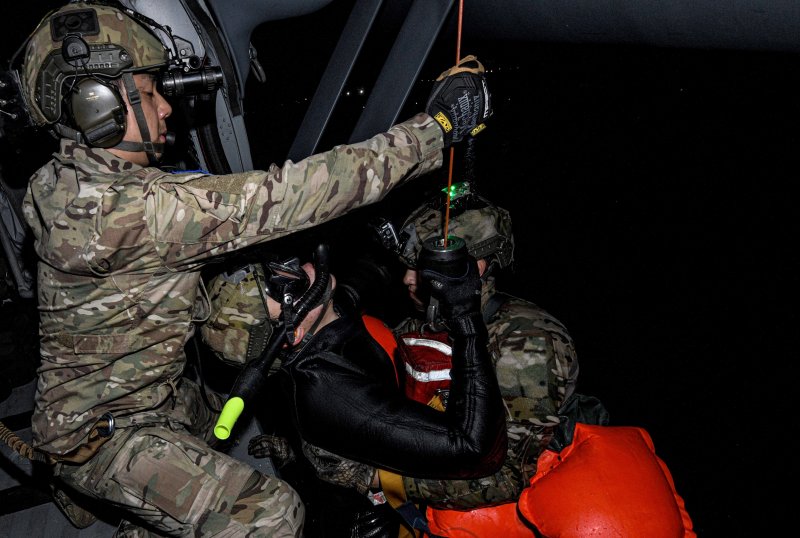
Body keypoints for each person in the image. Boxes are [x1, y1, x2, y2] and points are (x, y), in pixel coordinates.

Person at [16, 1, 491, 535]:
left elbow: (140, 270)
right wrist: (436, 129)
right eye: (149, 94)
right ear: (95, 106)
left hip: (119, 396)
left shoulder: (59, 183)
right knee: (271, 514)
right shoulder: (140, 211)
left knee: (228, 387)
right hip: (105, 435)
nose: (166, 110)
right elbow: (294, 194)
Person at [246, 241, 507, 538]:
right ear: (293, 335)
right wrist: (464, 312)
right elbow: (475, 448)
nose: (294, 269)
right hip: (380, 523)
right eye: (281, 288)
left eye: (276, 266)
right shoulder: (328, 390)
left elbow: (372, 270)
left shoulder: (328, 315)